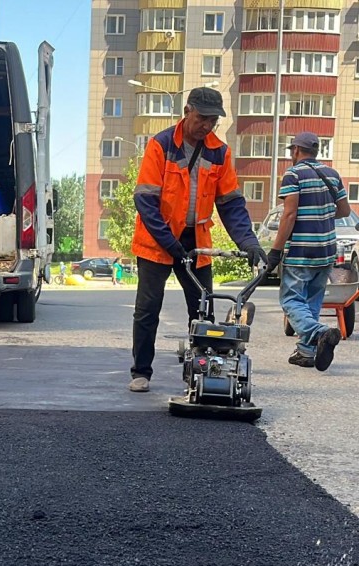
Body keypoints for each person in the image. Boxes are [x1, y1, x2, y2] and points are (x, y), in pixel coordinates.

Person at [127, 87, 266, 393]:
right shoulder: (161, 145)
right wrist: (168, 242)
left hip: (195, 240)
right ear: (187, 111)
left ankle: (207, 373)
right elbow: (145, 200)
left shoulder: (219, 152)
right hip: (157, 239)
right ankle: (141, 372)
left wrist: (249, 242)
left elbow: (231, 204)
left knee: (203, 307)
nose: (206, 125)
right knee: (148, 308)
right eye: (202, 117)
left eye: (213, 120)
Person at [267, 132, 350, 371]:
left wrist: (276, 250)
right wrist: (320, 216)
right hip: (326, 251)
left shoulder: (293, 175)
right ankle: (306, 352)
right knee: (312, 301)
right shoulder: (333, 175)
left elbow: (289, 214)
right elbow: (344, 210)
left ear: (295, 150)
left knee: (291, 299)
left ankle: (320, 332)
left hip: (302, 250)